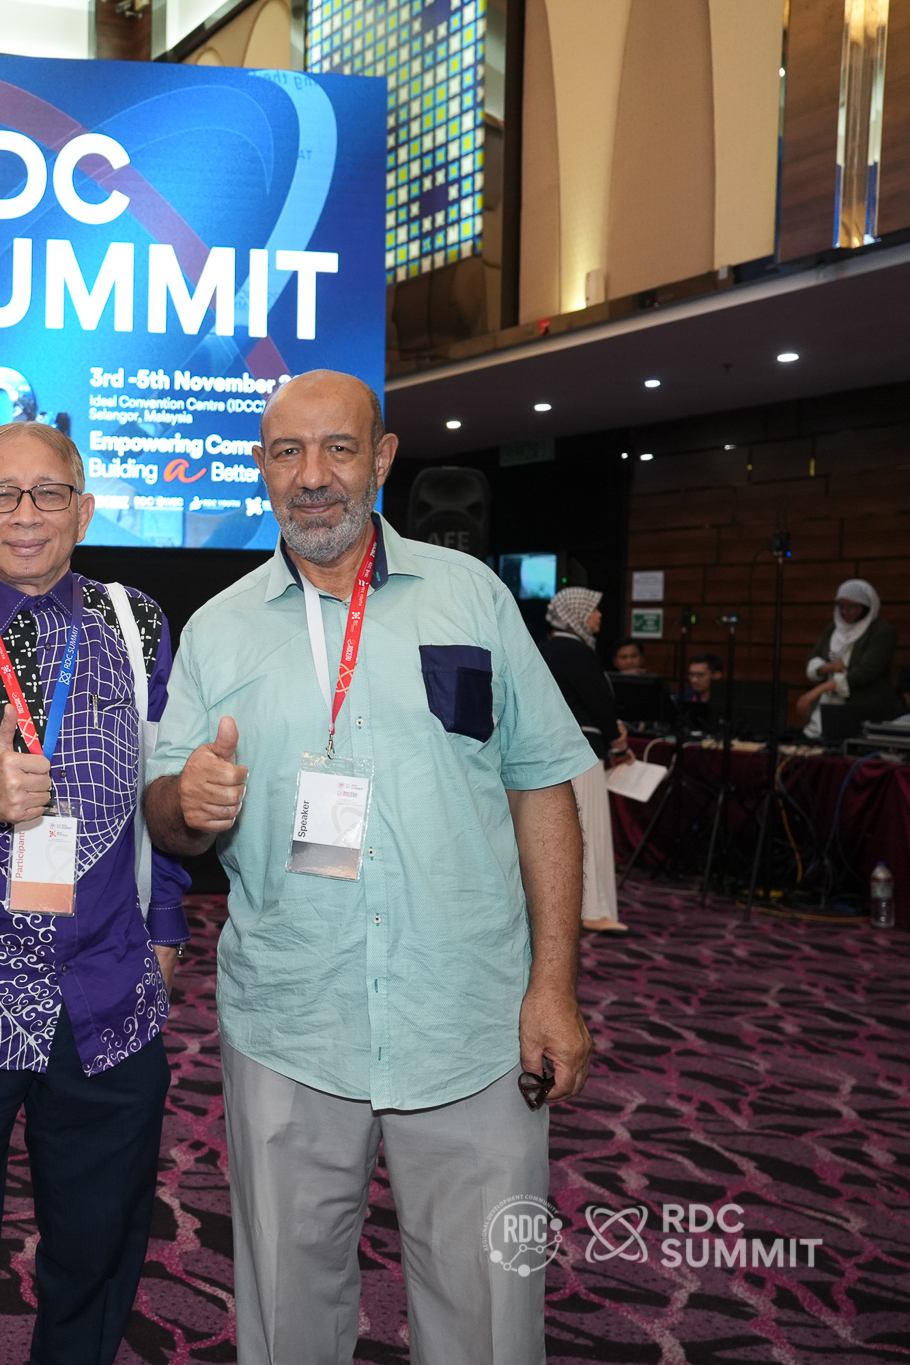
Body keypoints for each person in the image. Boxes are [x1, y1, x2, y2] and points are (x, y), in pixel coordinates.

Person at [143, 370, 595, 1365]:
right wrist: (186, 802)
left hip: (468, 1024)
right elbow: (166, 817)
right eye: (288, 452)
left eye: (338, 448)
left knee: (489, 1319)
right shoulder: (218, 628)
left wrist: (554, 986)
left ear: (381, 459)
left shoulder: (470, 597)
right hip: (290, 1025)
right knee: (286, 1317)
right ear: (261, 469)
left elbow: (541, 789)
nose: (313, 476)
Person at [0, 421, 191, 1365]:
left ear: (83, 510)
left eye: (48, 492)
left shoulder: (136, 626)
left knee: (98, 1251)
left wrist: (166, 921)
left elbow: (162, 785)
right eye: (0, 494)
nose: (26, 513)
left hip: (108, 991)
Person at [539, 588, 630, 935]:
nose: (599, 615)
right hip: (582, 748)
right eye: (594, 610)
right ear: (576, 614)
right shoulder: (575, 651)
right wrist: (616, 736)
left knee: (557, 832)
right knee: (588, 828)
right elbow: (598, 701)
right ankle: (591, 909)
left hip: (550, 750)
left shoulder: (544, 649)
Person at [797, 580, 899, 737]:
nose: (845, 612)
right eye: (841, 606)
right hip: (826, 707)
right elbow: (812, 658)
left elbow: (864, 673)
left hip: (862, 709)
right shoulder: (833, 628)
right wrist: (829, 667)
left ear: (867, 606)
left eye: (852, 607)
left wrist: (816, 692)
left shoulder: (881, 631)